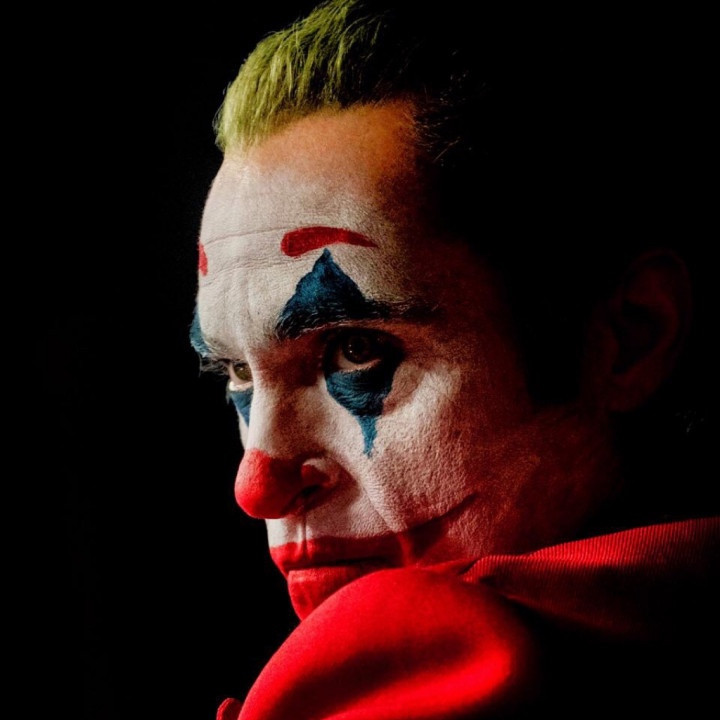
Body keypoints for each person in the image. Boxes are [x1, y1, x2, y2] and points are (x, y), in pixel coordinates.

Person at [190, 1, 718, 717]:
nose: (256, 485)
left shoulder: (412, 671)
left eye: (355, 350)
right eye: (237, 372)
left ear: (628, 339)